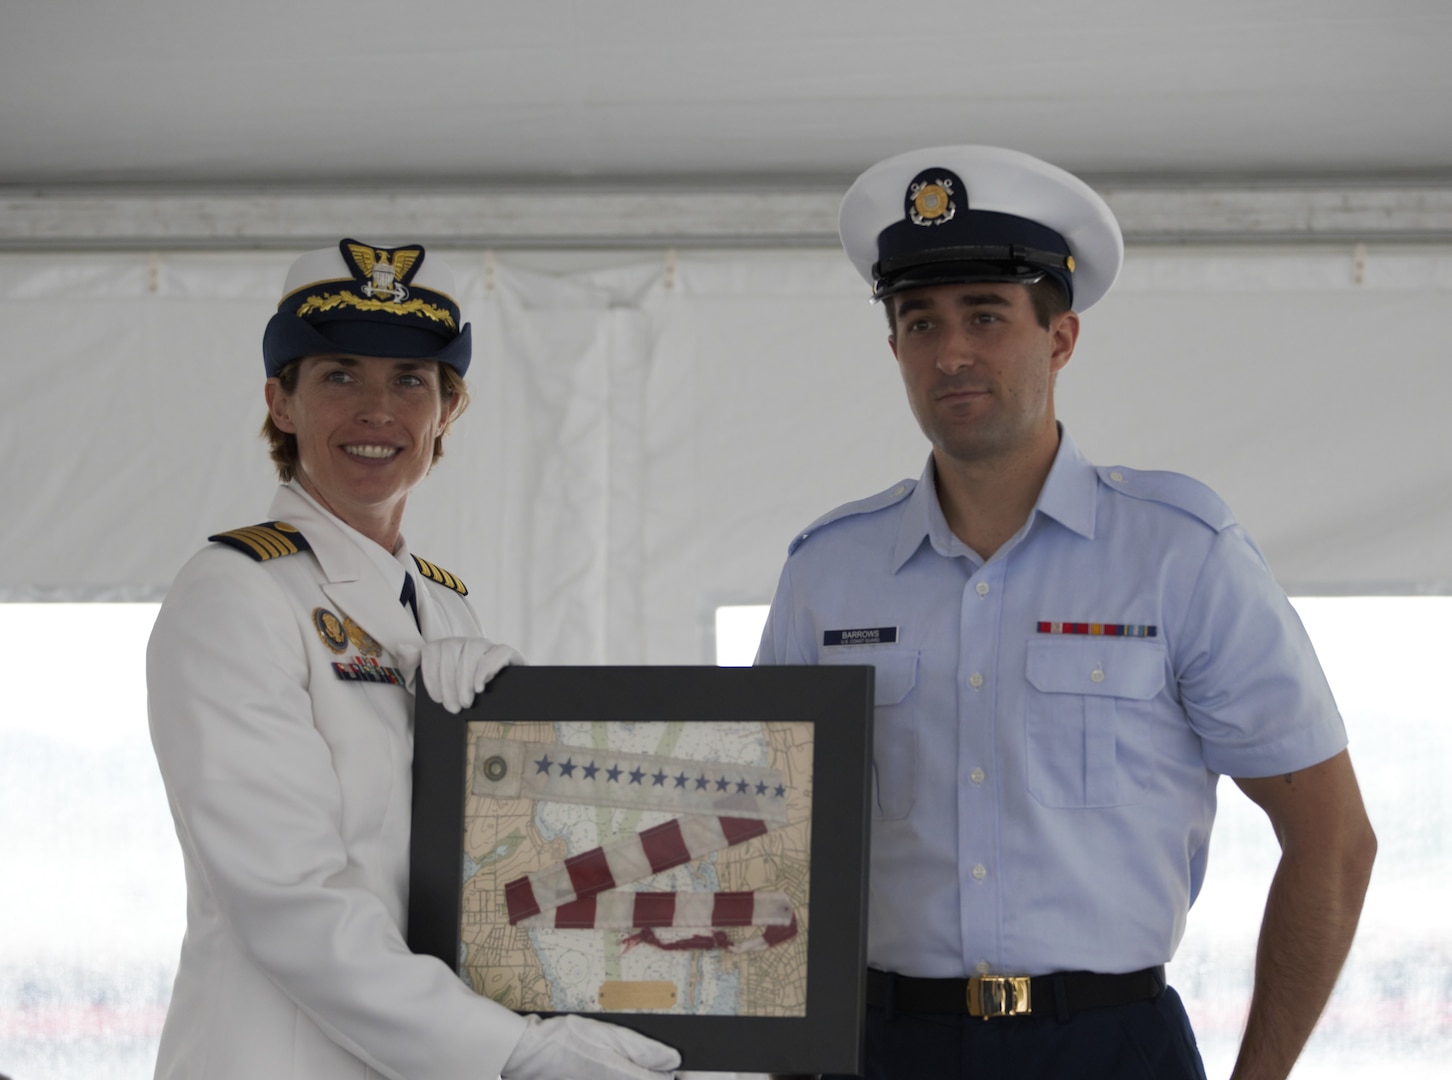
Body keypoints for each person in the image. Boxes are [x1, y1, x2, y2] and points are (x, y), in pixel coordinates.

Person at [755, 147, 1377, 1080]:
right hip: (878, 1044)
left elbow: (1333, 840)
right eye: (920, 321)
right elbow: (760, 840)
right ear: (894, 349)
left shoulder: (1179, 552)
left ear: (1061, 338)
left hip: (1110, 1044)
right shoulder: (827, 571)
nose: (951, 351)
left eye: (986, 316)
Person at [147, 239, 681, 1080]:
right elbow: (288, 900)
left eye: (409, 381)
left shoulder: (442, 604)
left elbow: (491, 868)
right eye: (339, 376)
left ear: (446, 412)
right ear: (280, 403)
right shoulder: (234, 596)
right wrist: (512, 1051)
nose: (377, 410)